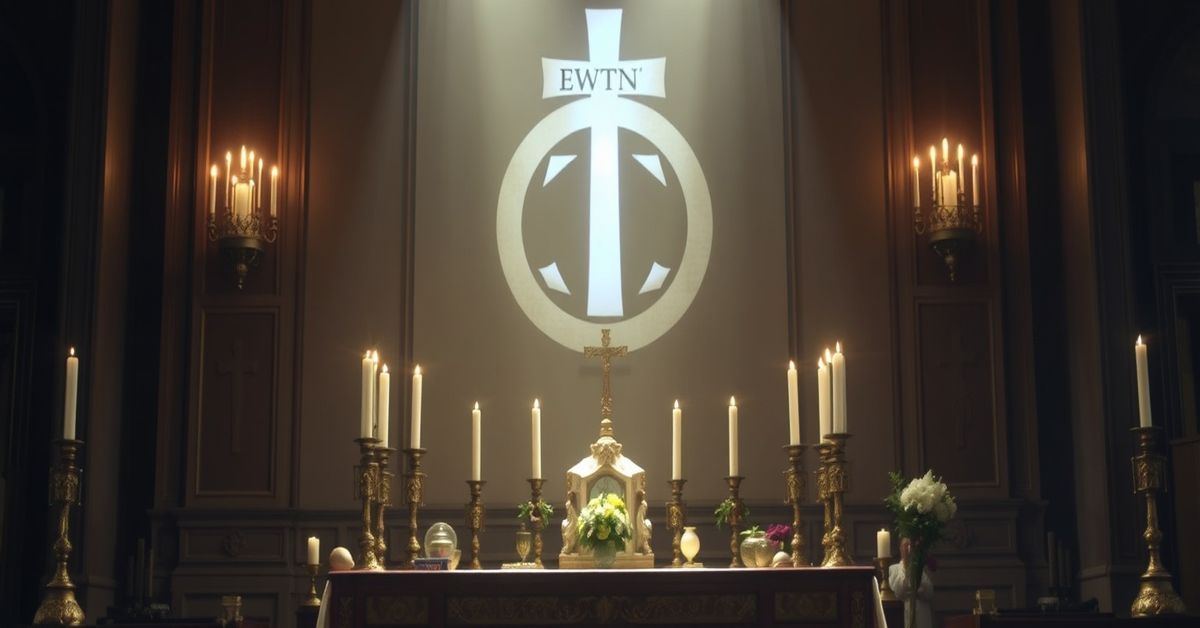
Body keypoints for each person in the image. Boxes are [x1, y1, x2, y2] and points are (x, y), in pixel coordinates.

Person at [888, 538, 934, 628]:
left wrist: (916, 590)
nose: (908, 548)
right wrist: (906, 567)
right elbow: (899, 591)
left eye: (911, 545)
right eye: (905, 545)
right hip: (904, 612)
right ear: (900, 548)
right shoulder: (894, 569)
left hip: (922, 612)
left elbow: (929, 592)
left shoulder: (923, 569)